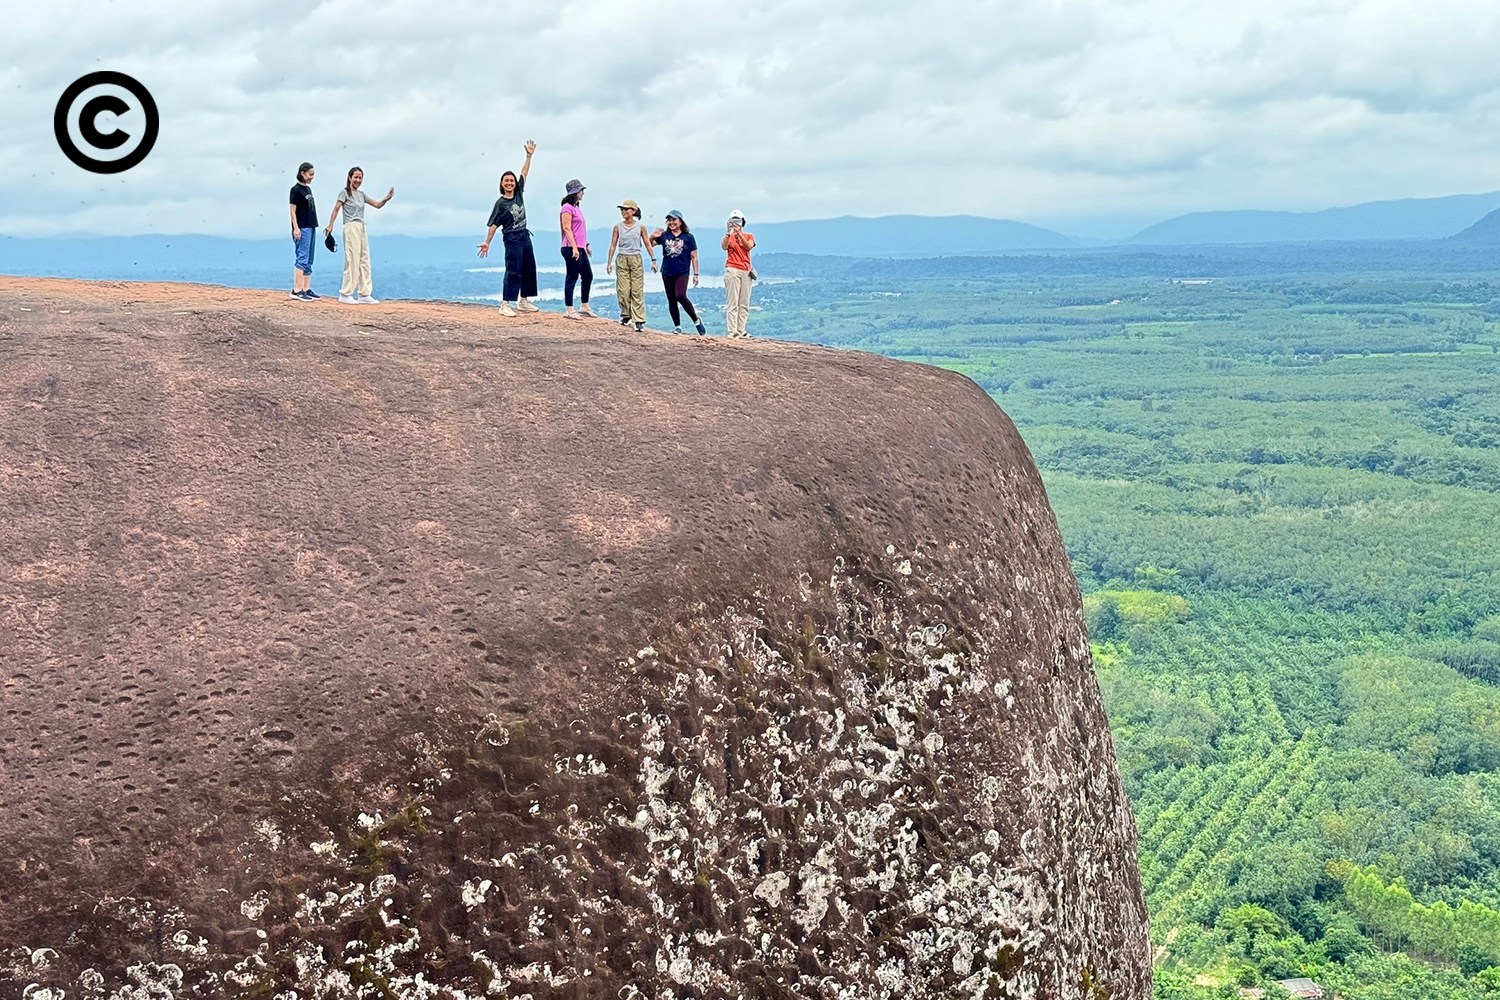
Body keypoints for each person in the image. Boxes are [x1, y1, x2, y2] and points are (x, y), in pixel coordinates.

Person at [477, 141, 539, 317]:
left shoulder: (519, 192)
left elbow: (524, 172)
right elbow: (493, 225)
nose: (510, 183)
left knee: (528, 267)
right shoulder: (501, 203)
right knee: (514, 269)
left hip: (524, 236)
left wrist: (529, 156)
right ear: (502, 184)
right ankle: (505, 303)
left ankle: (524, 300)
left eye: (512, 181)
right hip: (511, 239)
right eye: (507, 181)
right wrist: (487, 242)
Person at [324, 167, 394, 304]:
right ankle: (345, 293)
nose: (358, 180)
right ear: (350, 177)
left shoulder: (361, 194)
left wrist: (386, 199)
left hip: (361, 226)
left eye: (360, 177)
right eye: (355, 177)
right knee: (352, 259)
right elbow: (336, 209)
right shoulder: (344, 193)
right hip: (350, 226)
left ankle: (364, 293)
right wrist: (330, 225)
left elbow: (377, 205)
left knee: (364, 259)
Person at [650, 210, 705, 334]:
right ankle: (677, 326)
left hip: (682, 271)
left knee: (680, 295)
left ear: (680, 221)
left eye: (674, 220)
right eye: (669, 220)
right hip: (667, 271)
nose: (671, 222)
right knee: (671, 299)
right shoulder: (664, 235)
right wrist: (652, 235)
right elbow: (649, 245)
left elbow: (694, 256)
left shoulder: (688, 237)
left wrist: (696, 274)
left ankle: (696, 320)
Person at [607, 200, 657, 331]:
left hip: (636, 258)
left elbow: (647, 243)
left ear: (633, 211)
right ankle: (626, 314)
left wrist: (653, 260)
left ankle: (639, 320)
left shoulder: (641, 227)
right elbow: (613, 245)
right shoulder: (617, 227)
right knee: (623, 291)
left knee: (637, 290)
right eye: (622, 209)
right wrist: (609, 262)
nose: (624, 212)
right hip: (622, 258)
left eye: (626, 209)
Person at [559, 179, 597, 320]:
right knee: (572, 277)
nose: (583, 193)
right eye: (581, 191)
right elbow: (567, 228)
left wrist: (585, 244)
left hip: (579, 247)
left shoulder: (576, 208)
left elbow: (578, 230)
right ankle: (569, 309)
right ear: (575, 192)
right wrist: (574, 247)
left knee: (588, 275)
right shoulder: (567, 208)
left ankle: (584, 305)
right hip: (570, 248)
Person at [722, 209, 756, 337]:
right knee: (733, 302)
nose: (736, 223)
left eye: (738, 221)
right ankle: (733, 331)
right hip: (732, 268)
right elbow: (724, 246)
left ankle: (741, 330)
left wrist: (739, 234)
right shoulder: (728, 237)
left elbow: (748, 246)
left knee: (744, 302)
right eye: (734, 221)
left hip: (746, 270)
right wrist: (728, 233)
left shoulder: (749, 236)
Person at [288, 162, 320, 300]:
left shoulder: (307, 189)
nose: (312, 177)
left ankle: (306, 289)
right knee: (302, 257)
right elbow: (292, 210)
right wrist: (296, 227)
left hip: (311, 225)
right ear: (303, 173)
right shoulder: (295, 190)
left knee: (309, 259)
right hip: (302, 227)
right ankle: (296, 289)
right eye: (310, 174)